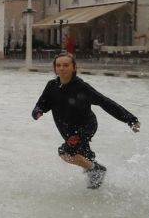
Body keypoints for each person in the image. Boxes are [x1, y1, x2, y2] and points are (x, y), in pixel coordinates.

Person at [33, 52, 140, 189]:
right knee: (83, 157)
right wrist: (37, 112)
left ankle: (96, 170)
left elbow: (105, 102)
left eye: (66, 65)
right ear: (55, 68)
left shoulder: (81, 87)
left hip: (85, 126)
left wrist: (131, 120)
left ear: (74, 67)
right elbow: (42, 104)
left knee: (65, 152)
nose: (62, 68)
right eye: (58, 65)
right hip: (67, 129)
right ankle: (96, 183)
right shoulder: (52, 86)